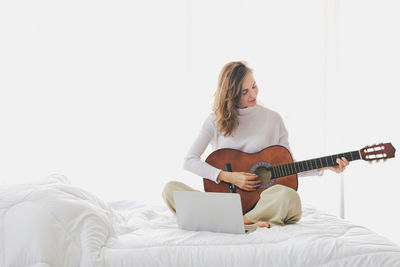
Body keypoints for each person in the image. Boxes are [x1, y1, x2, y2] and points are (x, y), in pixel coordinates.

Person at [162, 61, 349, 229]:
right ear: (230, 95)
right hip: (225, 201)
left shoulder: (273, 119)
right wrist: (229, 177)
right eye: (245, 92)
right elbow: (189, 161)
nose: (253, 94)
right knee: (170, 189)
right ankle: (241, 220)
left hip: (261, 203)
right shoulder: (214, 121)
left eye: (254, 86)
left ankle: (243, 220)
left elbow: (288, 167)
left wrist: (323, 166)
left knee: (288, 196)